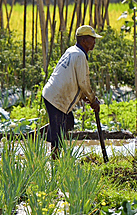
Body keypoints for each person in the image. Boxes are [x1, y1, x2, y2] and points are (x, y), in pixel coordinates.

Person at [41, 24, 101, 158]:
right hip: (57, 98)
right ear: (84, 40)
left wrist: (81, 96)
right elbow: (84, 83)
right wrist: (93, 100)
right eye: (92, 39)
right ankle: (55, 162)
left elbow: (69, 77)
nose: (94, 42)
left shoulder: (72, 51)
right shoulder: (79, 55)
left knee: (68, 122)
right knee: (58, 134)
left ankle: (44, 134)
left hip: (52, 94)